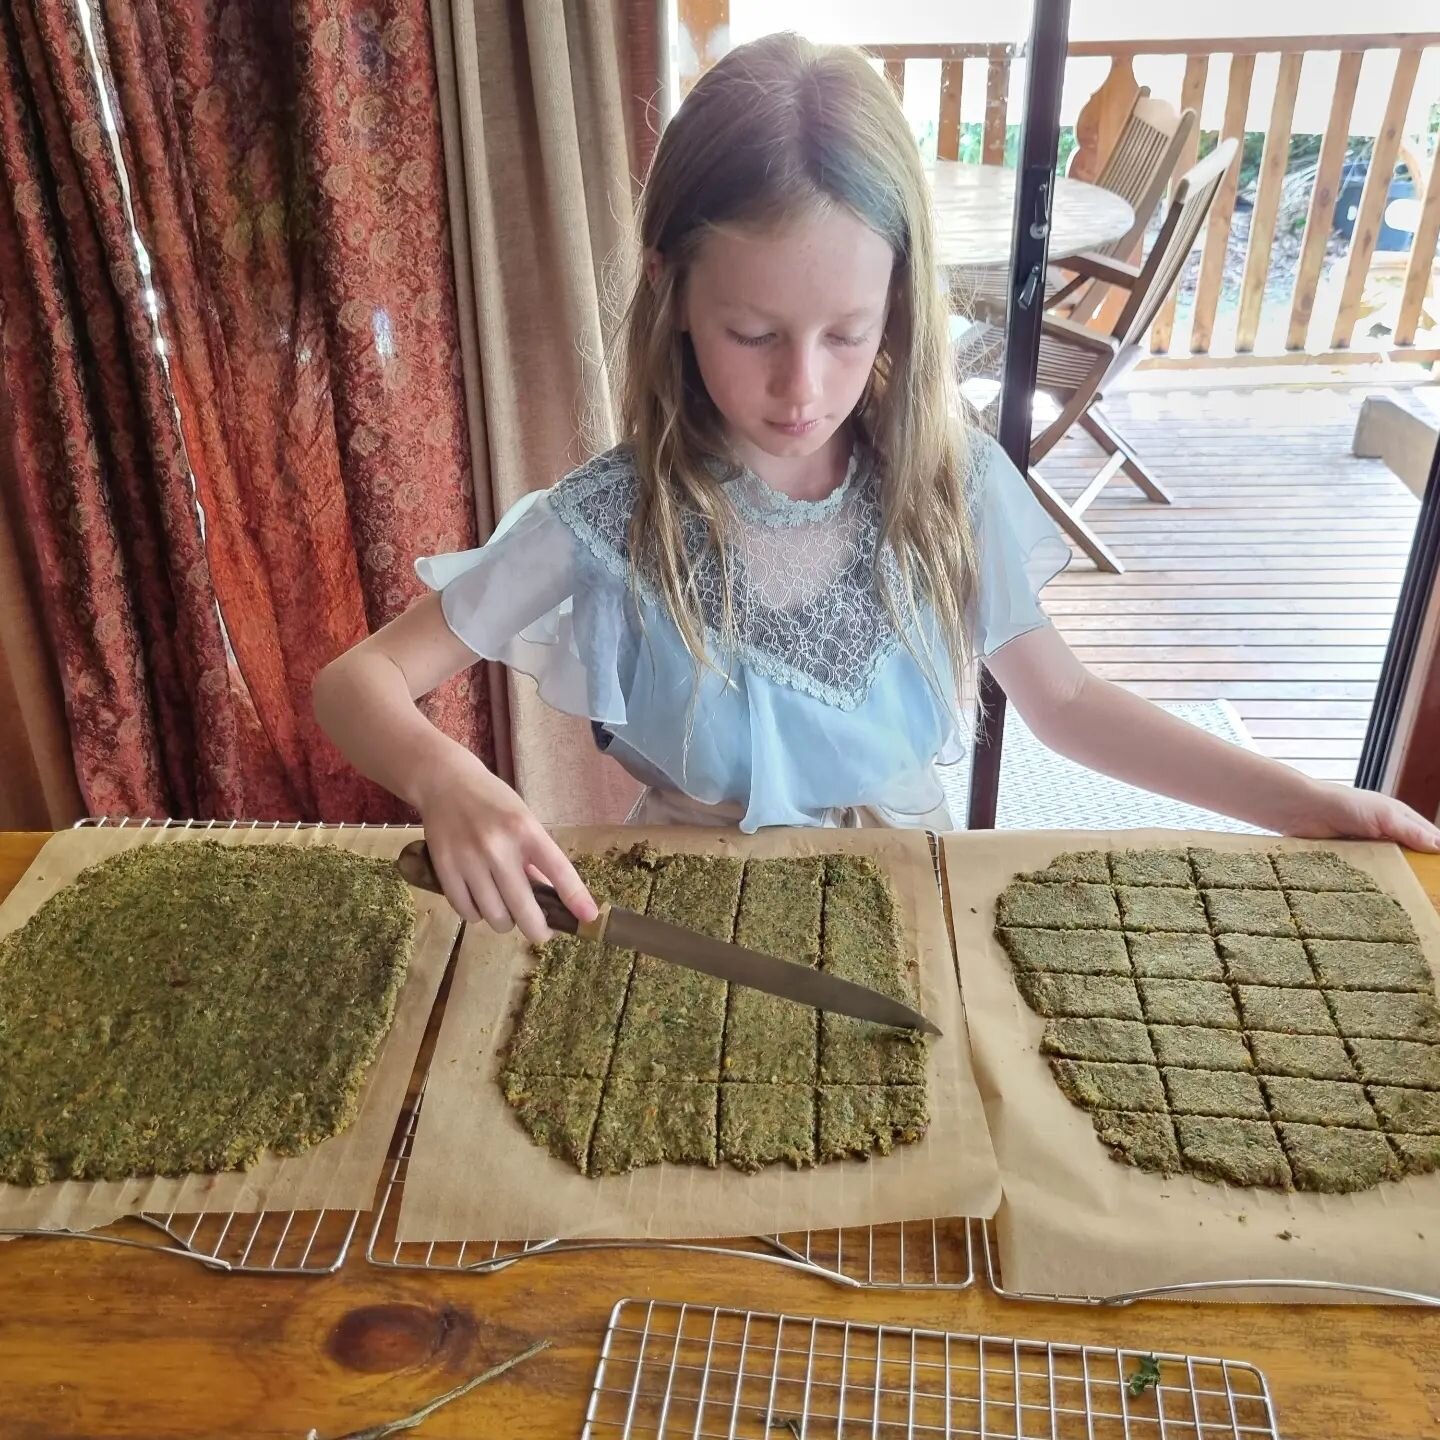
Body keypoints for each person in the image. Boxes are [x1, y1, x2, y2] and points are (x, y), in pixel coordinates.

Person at [314, 33, 1439, 943]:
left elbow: (1070, 705)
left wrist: (1313, 805)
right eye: (751, 333)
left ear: (901, 300)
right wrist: (448, 780)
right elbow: (356, 683)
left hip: (910, 892)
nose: (804, 388)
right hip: (685, 916)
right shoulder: (611, 517)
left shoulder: (946, 484)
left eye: (849, 334)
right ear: (672, 289)